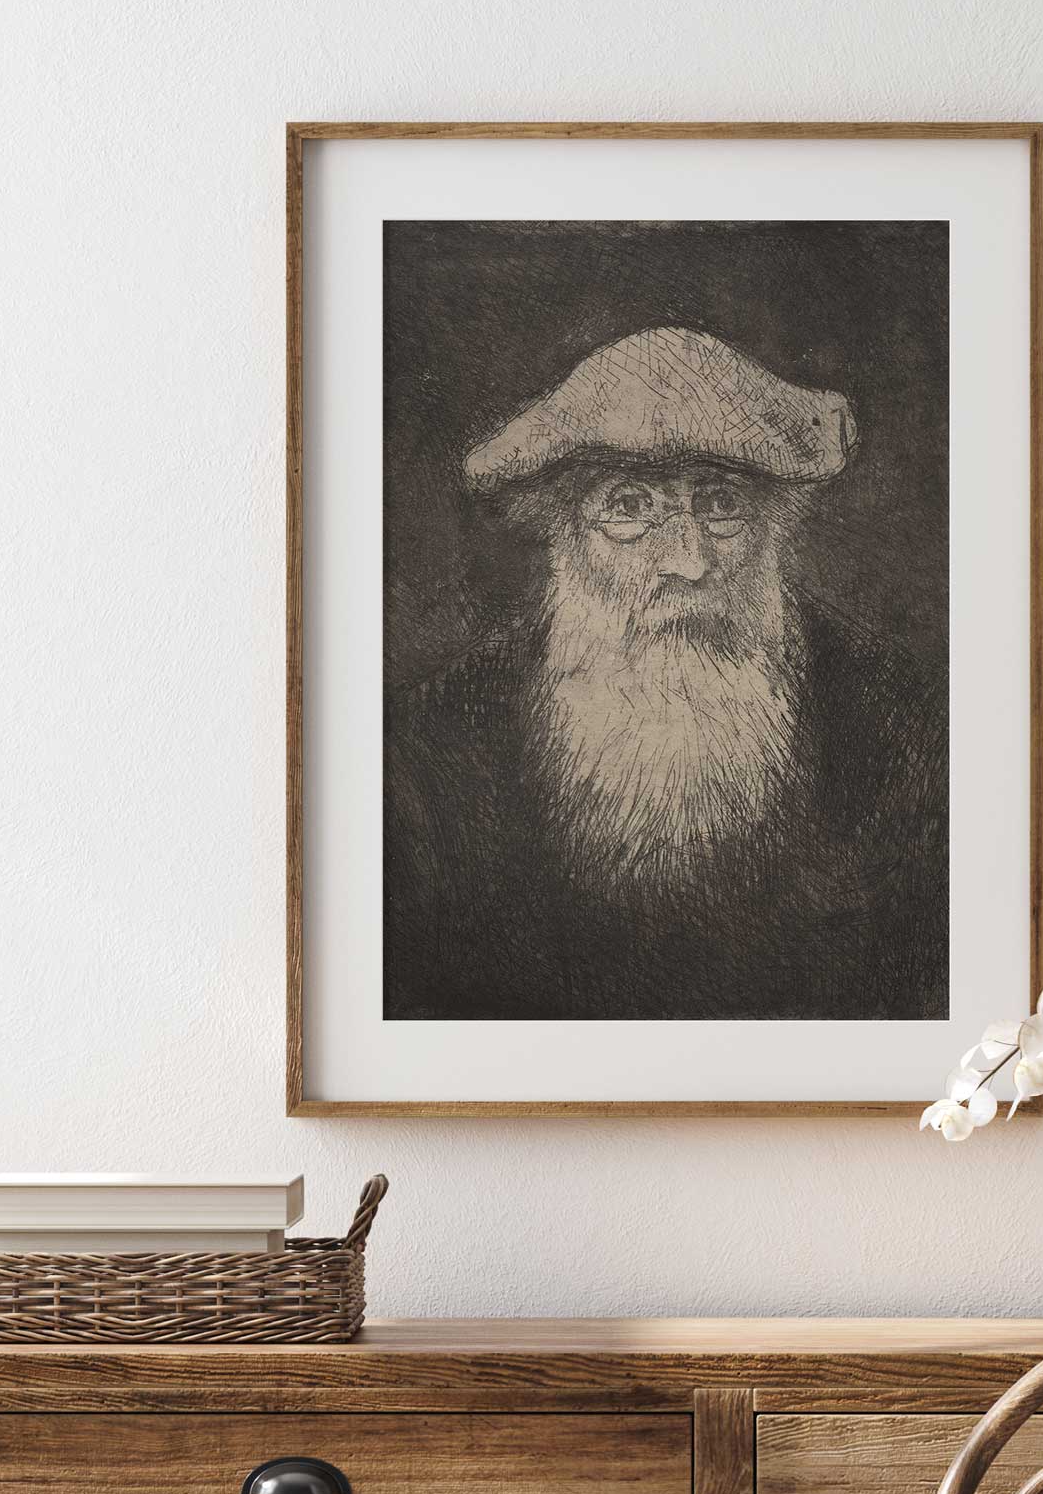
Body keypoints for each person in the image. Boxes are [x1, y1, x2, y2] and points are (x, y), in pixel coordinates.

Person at [383, 325, 947, 1021]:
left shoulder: (906, 725)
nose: (688, 561)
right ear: (560, 531)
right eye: (628, 507)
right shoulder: (427, 751)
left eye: (721, 505)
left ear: (776, 525)